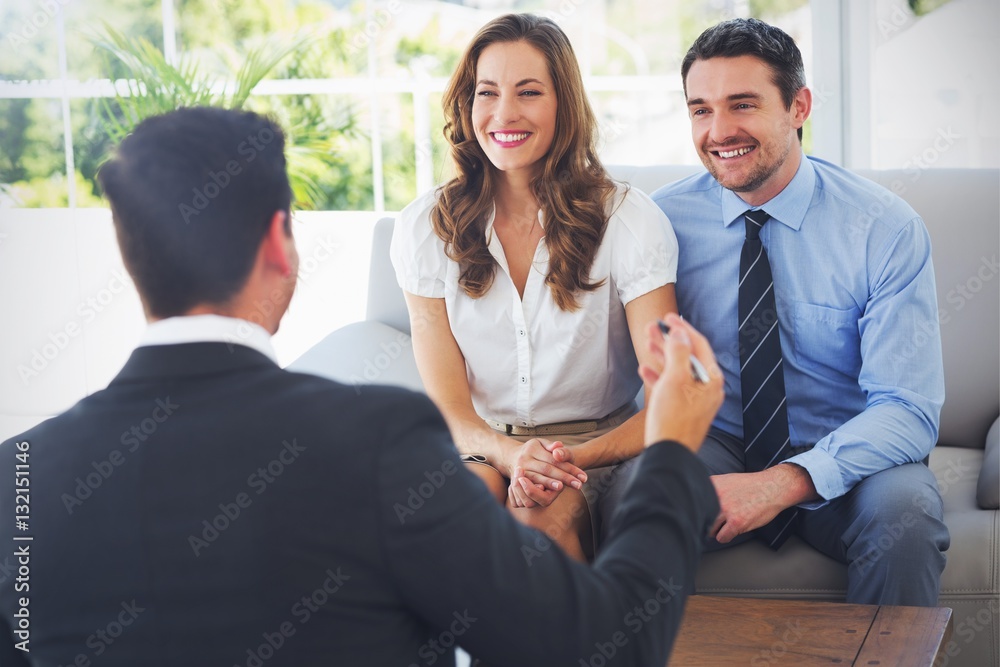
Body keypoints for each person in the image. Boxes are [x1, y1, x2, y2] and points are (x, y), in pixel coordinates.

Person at [0, 106, 723, 666]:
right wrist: (671, 450)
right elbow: (597, 643)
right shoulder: (378, 438)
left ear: (130, 257)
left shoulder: (17, 479)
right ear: (281, 243)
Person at [614, 17, 948, 606]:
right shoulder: (658, 224)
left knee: (908, 517)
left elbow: (907, 409)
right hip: (717, 440)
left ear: (799, 107)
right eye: (700, 109)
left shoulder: (884, 229)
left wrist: (781, 483)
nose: (719, 131)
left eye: (742, 104)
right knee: (639, 497)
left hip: (849, 454)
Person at [391, 13, 678, 562]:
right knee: (457, 518)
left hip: (596, 448)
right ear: (466, 104)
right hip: (479, 444)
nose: (504, 114)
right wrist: (509, 455)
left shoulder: (629, 219)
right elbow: (451, 409)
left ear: (562, 105)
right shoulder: (425, 226)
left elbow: (668, 397)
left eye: (529, 93)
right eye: (487, 93)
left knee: (533, 527)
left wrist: (568, 459)